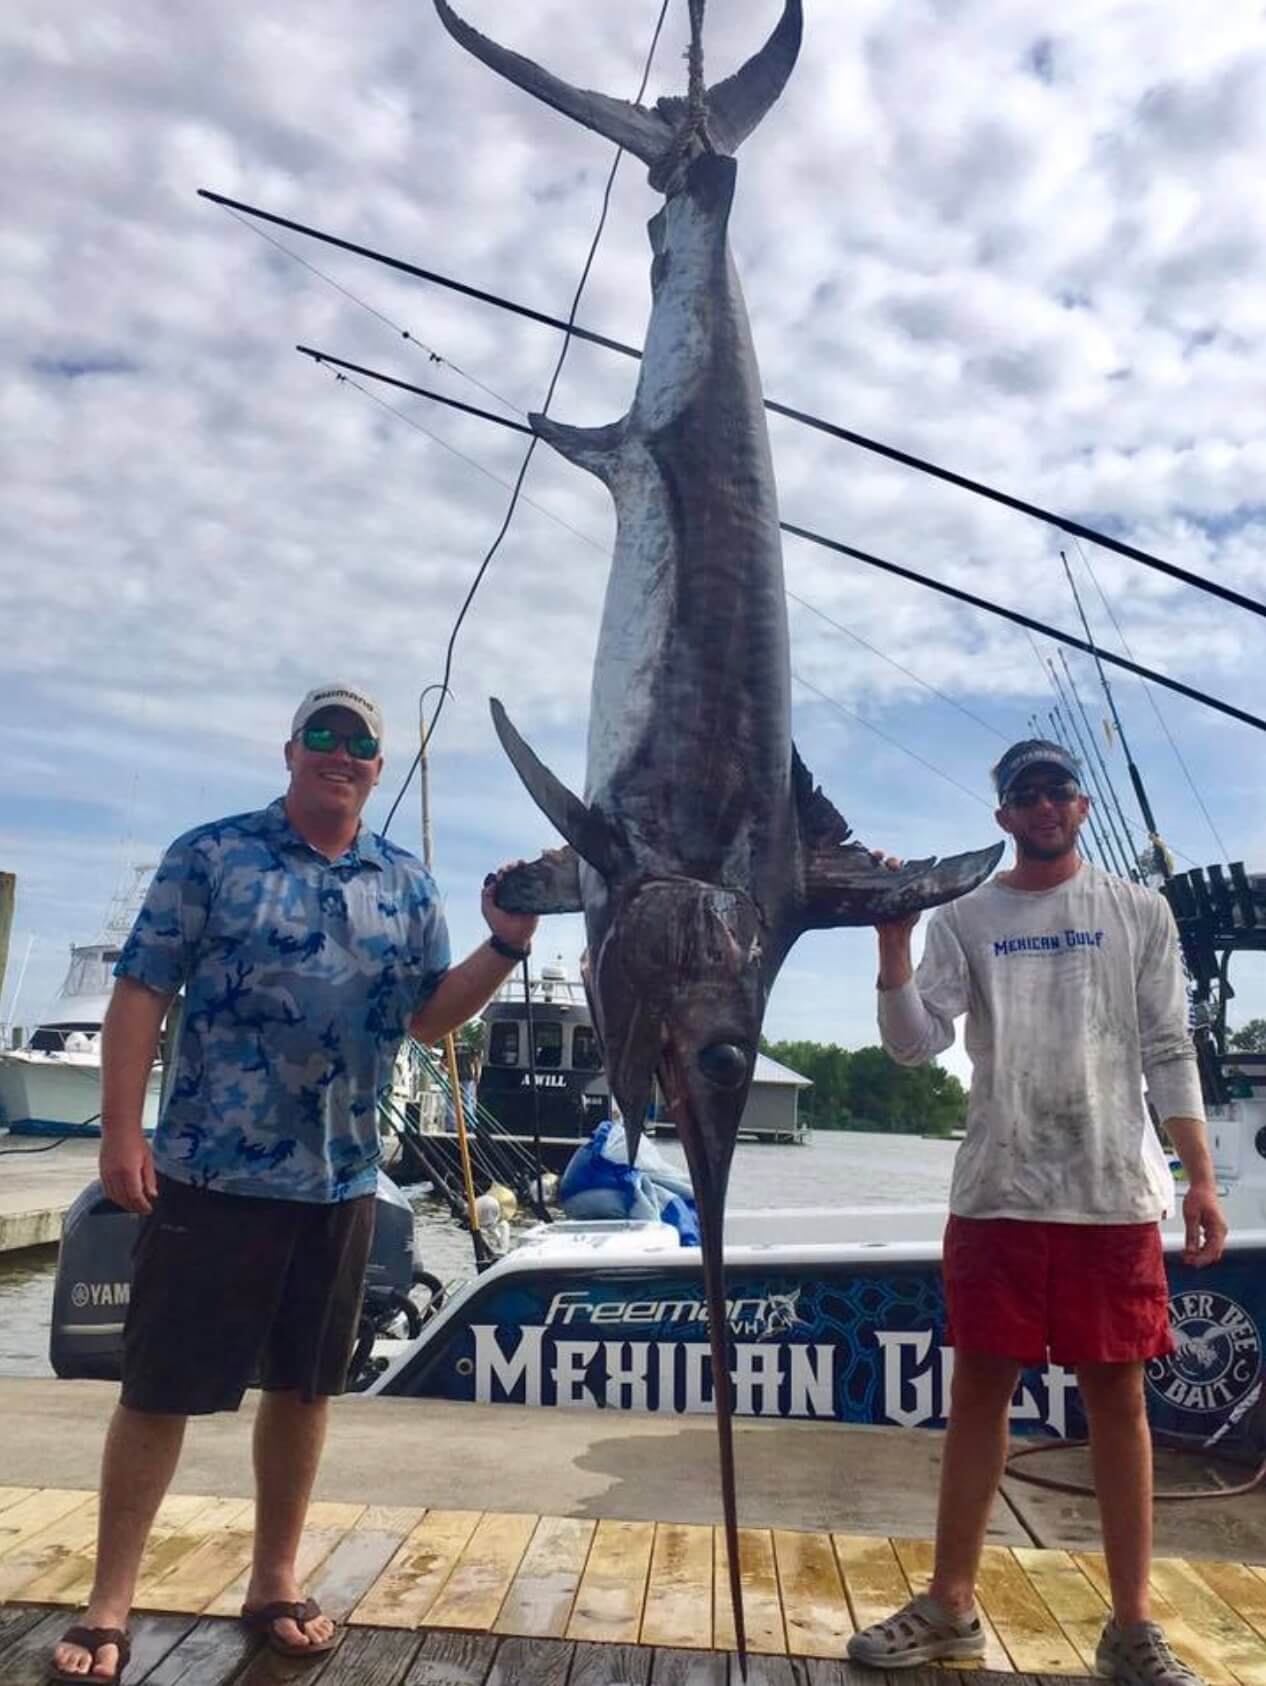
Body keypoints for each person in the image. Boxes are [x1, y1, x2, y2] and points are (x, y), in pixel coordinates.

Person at [51, 684, 538, 1684]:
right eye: (324, 734)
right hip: (208, 1174)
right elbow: (142, 990)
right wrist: (118, 1134)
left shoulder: (405, 885)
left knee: (306, 1391)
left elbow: (431, 1020)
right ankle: (110, 1601)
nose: (341, 751)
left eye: (360, 741)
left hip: (341, 1182)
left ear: (375, 768)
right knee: (157, 1392)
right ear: (290, 752)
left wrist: (506, 943)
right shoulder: (211, 855)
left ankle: (275, 1580)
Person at [846, 739, 1227, 1686]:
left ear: (1082, 805)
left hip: (1112, 1193)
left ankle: (1131, 1626)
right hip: (999, 1189)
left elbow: (1168, 1047)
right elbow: (911, 1046)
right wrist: (895, 942)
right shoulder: (965, 915)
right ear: (1003, 816)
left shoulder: (1138, 910)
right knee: (979, 1393)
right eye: (1024, 793)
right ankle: (949, 1603)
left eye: (1057, 788)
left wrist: (1201, 1179)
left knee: (1119, 1402)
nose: (1044, 804)